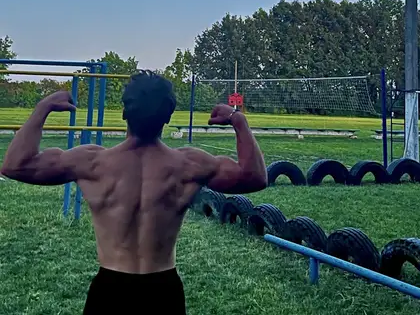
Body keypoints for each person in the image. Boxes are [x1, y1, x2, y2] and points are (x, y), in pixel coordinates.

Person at [1, 70, 267, 314]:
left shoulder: (91, 163)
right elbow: (254, 177)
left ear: (124, 113)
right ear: (168, 116)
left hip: (110, 290)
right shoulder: (189, 165)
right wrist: (238, 120)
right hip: (163, 290)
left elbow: (15, 166)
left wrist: (43, 108)